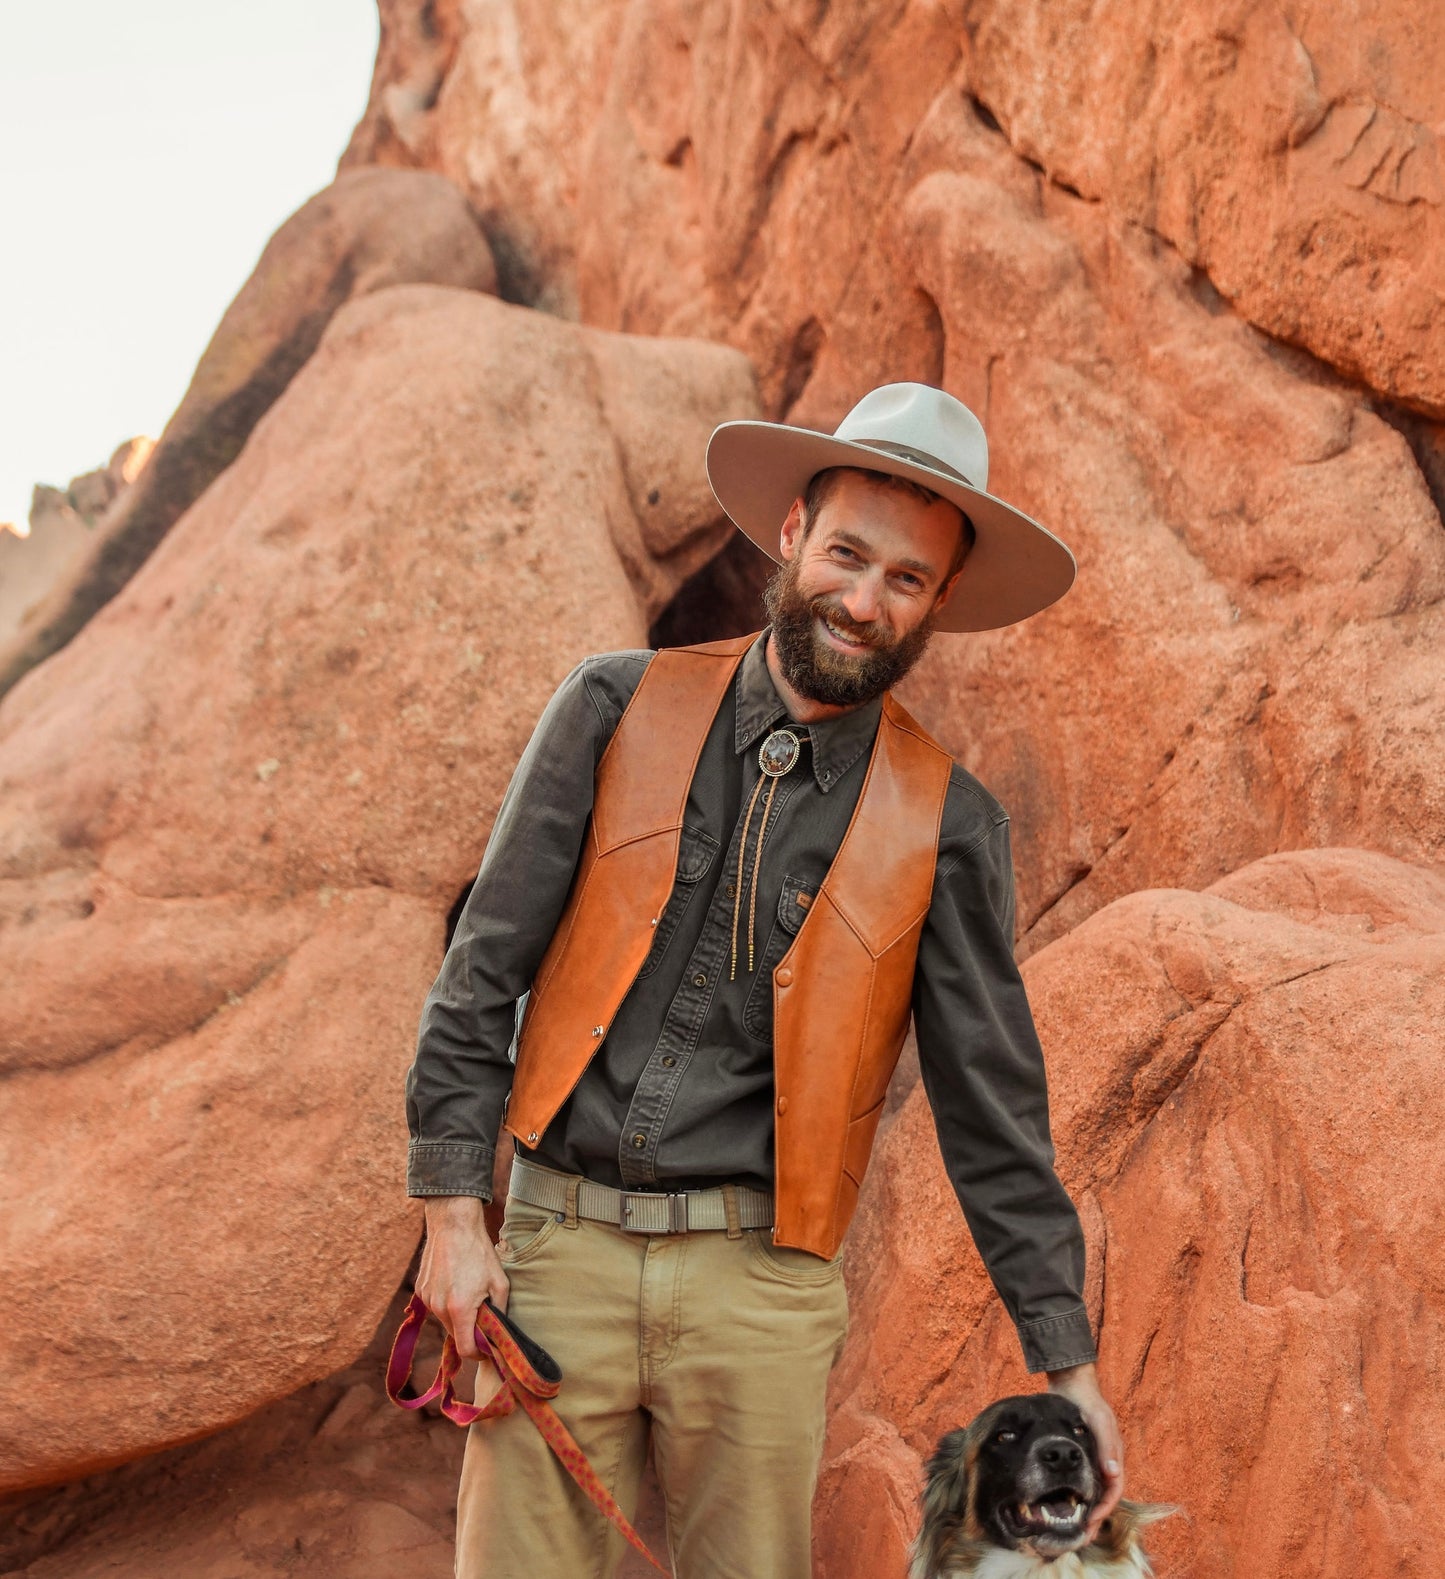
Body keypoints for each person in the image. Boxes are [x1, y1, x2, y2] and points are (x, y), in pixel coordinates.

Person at [405, 382, 1123, 1578]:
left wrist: (1073, 1375)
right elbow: (484, 967)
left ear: (938, 601)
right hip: (554, 1252)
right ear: (792, 534)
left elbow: (991, 1110)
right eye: (847, 554)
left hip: (760, 1290)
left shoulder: (951, 825)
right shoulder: (608, 705)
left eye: (905, 579)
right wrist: (449, 1217)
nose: (862, 599)